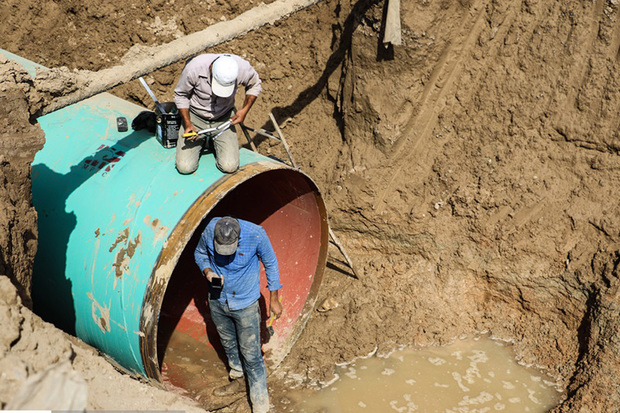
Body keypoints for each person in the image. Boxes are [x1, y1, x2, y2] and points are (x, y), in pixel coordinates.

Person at [194, 216, 283, 413]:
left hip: (246, 304)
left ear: (238, 238)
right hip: (218, 300)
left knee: (251, 354)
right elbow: (200, 253)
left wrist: (274, 299)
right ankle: (239, 380)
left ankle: (260, 400)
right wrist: (208, 272)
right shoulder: (209, 229)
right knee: (228, 344)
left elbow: (271, 263)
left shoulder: (256, 234)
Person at [174, 53, 262, 174]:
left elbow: (255, 84)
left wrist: (244, 110)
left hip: (223, 119)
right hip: (196, 118)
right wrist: (188, 123)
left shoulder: (241, 68)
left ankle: (213, 141)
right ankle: (203, 140)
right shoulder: (194, 68)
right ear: (210, 69)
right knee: (185, 167)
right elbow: (181, 95)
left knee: (229, 166)